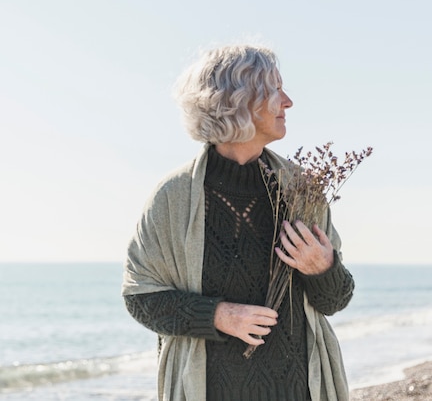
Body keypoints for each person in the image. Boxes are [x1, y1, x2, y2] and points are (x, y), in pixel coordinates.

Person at [122, 44, 355, 401]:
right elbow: (141, 297)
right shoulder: (173, 197)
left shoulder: (301, 192)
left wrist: (323, 267)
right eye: (275, 89)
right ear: (239, 100)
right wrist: (218, 315)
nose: (288, 101)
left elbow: (335, 300)